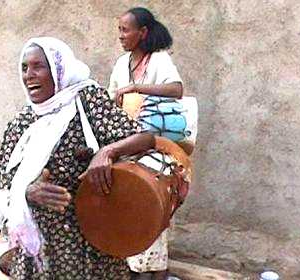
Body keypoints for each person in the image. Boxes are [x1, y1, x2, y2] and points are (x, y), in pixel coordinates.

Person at [0, 37, 155, 280]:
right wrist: (26, 192)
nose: (29, 75)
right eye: (24, 68)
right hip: (40, 249)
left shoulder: (86, 101)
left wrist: (106, 152)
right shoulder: (22, 124)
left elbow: (145, 139)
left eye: (38, 66)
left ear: (58, 69)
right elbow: (1, 186)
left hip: (90, 242)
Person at [108, 7, 185, 280]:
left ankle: (155, 273)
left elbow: (177, 89)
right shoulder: (121, 64)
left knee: (152, 212)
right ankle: (137, 271)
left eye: (125, 30)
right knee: (130, 213)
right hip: (128, 148)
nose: (121, 35)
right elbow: (111, 101)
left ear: (143, 33)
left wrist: (136, 88)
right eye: (119, 30)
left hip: (156, 150)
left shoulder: (159, 61)